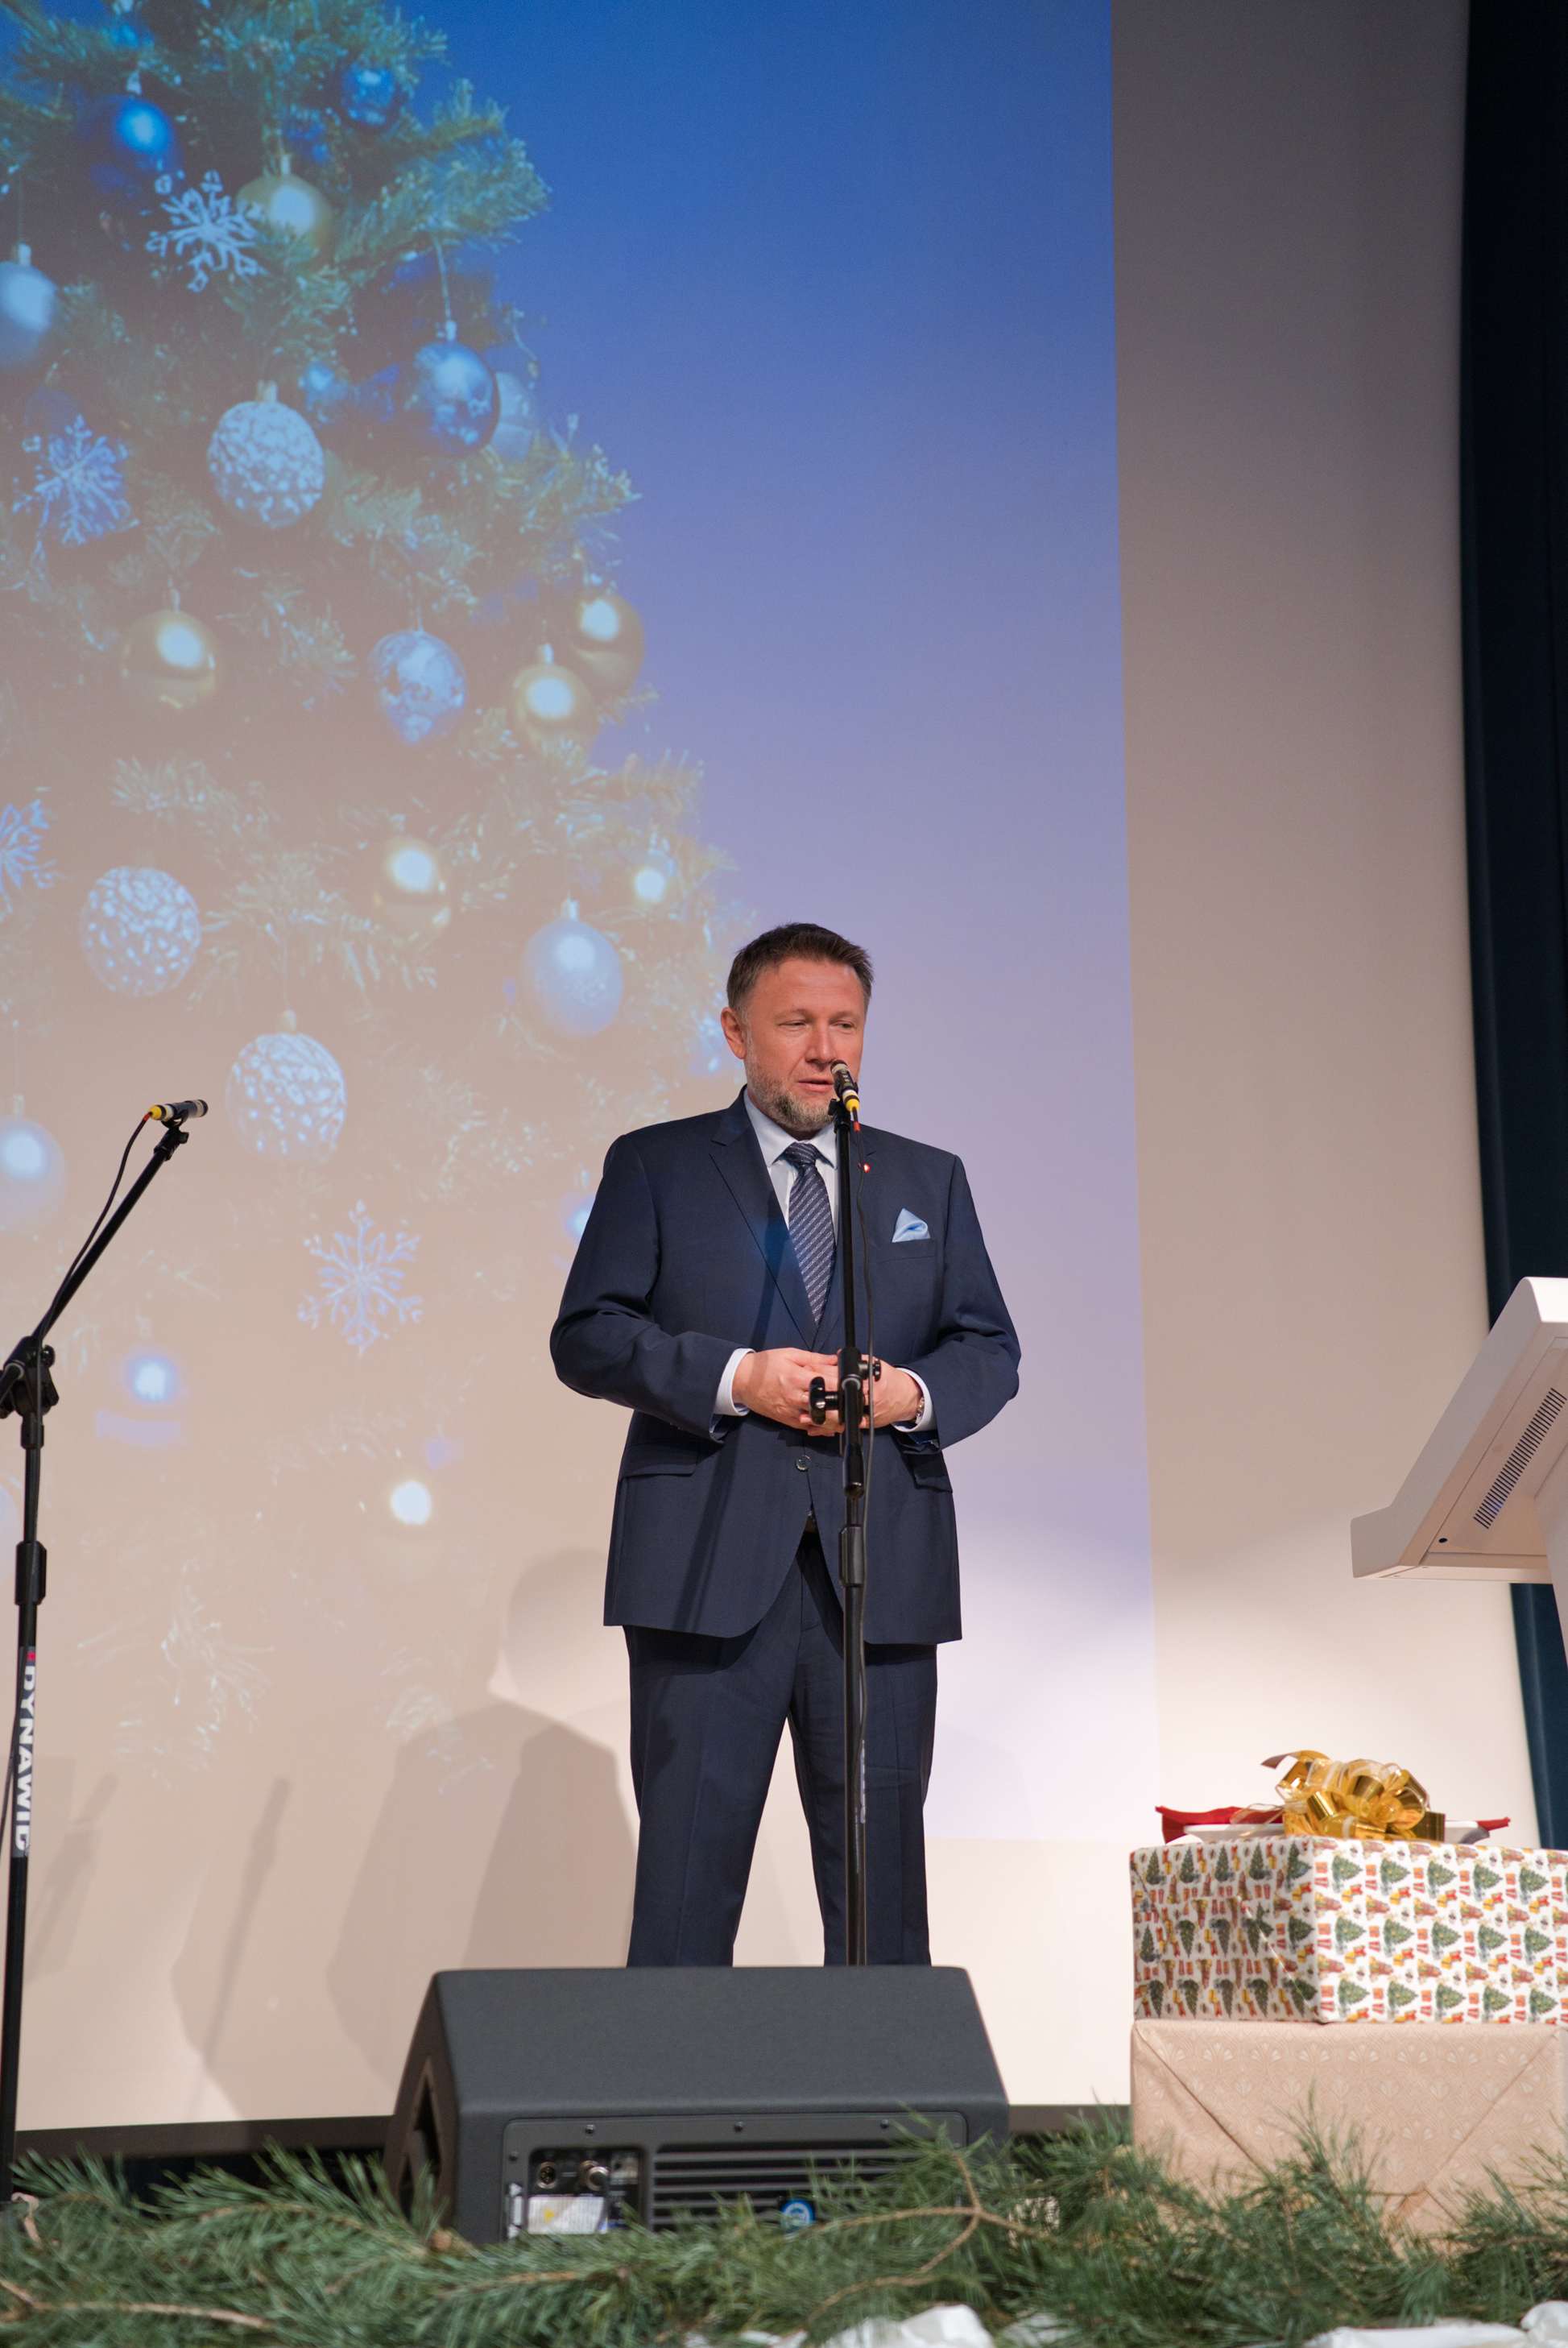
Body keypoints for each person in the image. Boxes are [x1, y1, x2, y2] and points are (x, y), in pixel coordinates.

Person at [550, 921, 1020, 1965]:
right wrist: (737, 1376)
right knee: (685, 1892)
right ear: (735, 1031)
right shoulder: (659, 1165)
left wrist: (907, 1393)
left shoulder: (925, 1178)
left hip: (879, 1574)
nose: (824, 1049)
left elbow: (988, 1348)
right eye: (796, 1022)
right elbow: (588, 1336)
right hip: (705, 1572)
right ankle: (673, 2075)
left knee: (881, 1903)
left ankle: (885, 2082)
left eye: (844, 1024)